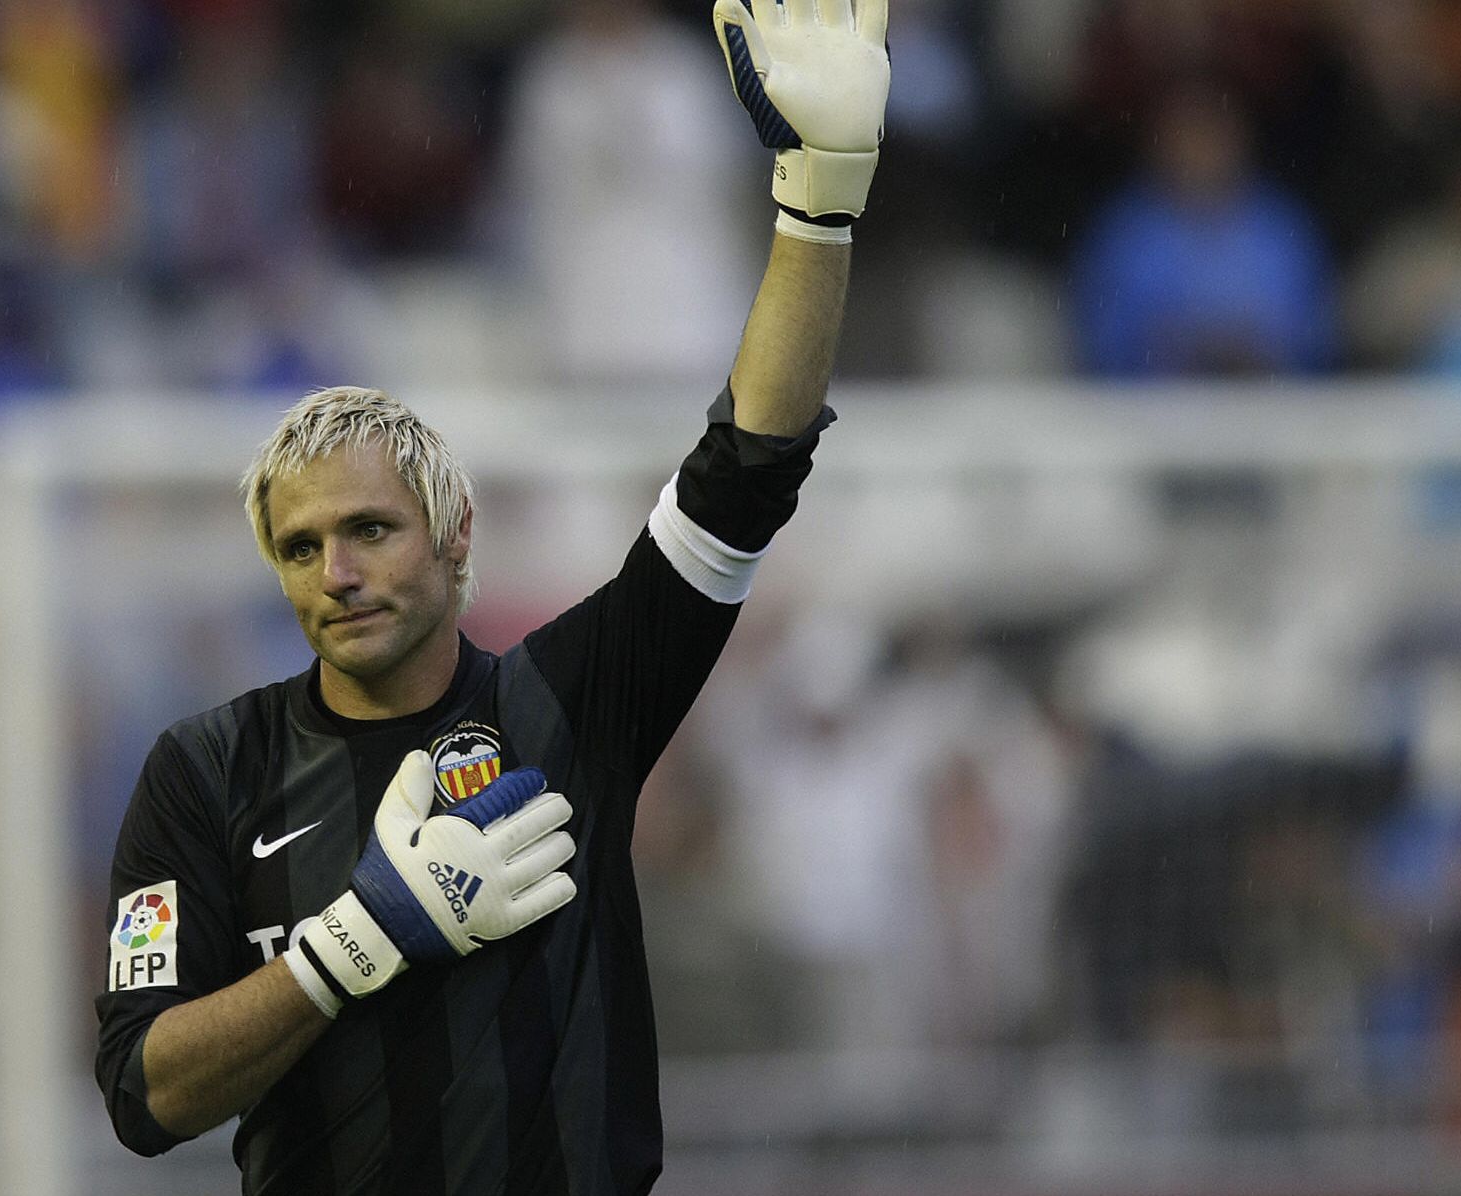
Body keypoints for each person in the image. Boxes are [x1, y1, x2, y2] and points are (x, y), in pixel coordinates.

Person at [94, 2, 891, 1190]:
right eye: (301, 545)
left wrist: (816, 208)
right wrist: (351, 945)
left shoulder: (570, 700)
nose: (338, 571)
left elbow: (750, 465)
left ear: (459, 537)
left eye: (369, 528)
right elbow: (142, 1092)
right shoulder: (202, 771)